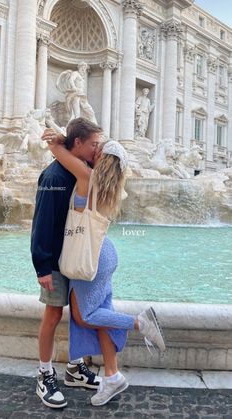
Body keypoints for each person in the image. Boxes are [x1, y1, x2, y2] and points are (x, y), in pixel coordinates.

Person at [43, 130, 166, 407]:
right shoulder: (112, 186)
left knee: (87, 316)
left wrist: (59, 140)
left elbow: (59, 152)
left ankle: (141, 323)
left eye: (97, 148)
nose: (93, 149)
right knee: (101, 317)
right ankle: (112, 376)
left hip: (90, 258)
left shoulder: (87, 179)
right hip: (103, 253)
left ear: (100, 156)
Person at [31, 118, 103, 409]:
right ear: (77, 145)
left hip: (74, 255)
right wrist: (42, 267)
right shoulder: (55, 177)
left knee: (75, 313)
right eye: (93, 144)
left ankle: (74, 369)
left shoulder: (80, 169)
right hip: (55, 261)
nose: (97, 149)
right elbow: (42, 223)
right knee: (52, 314)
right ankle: (44, 373)